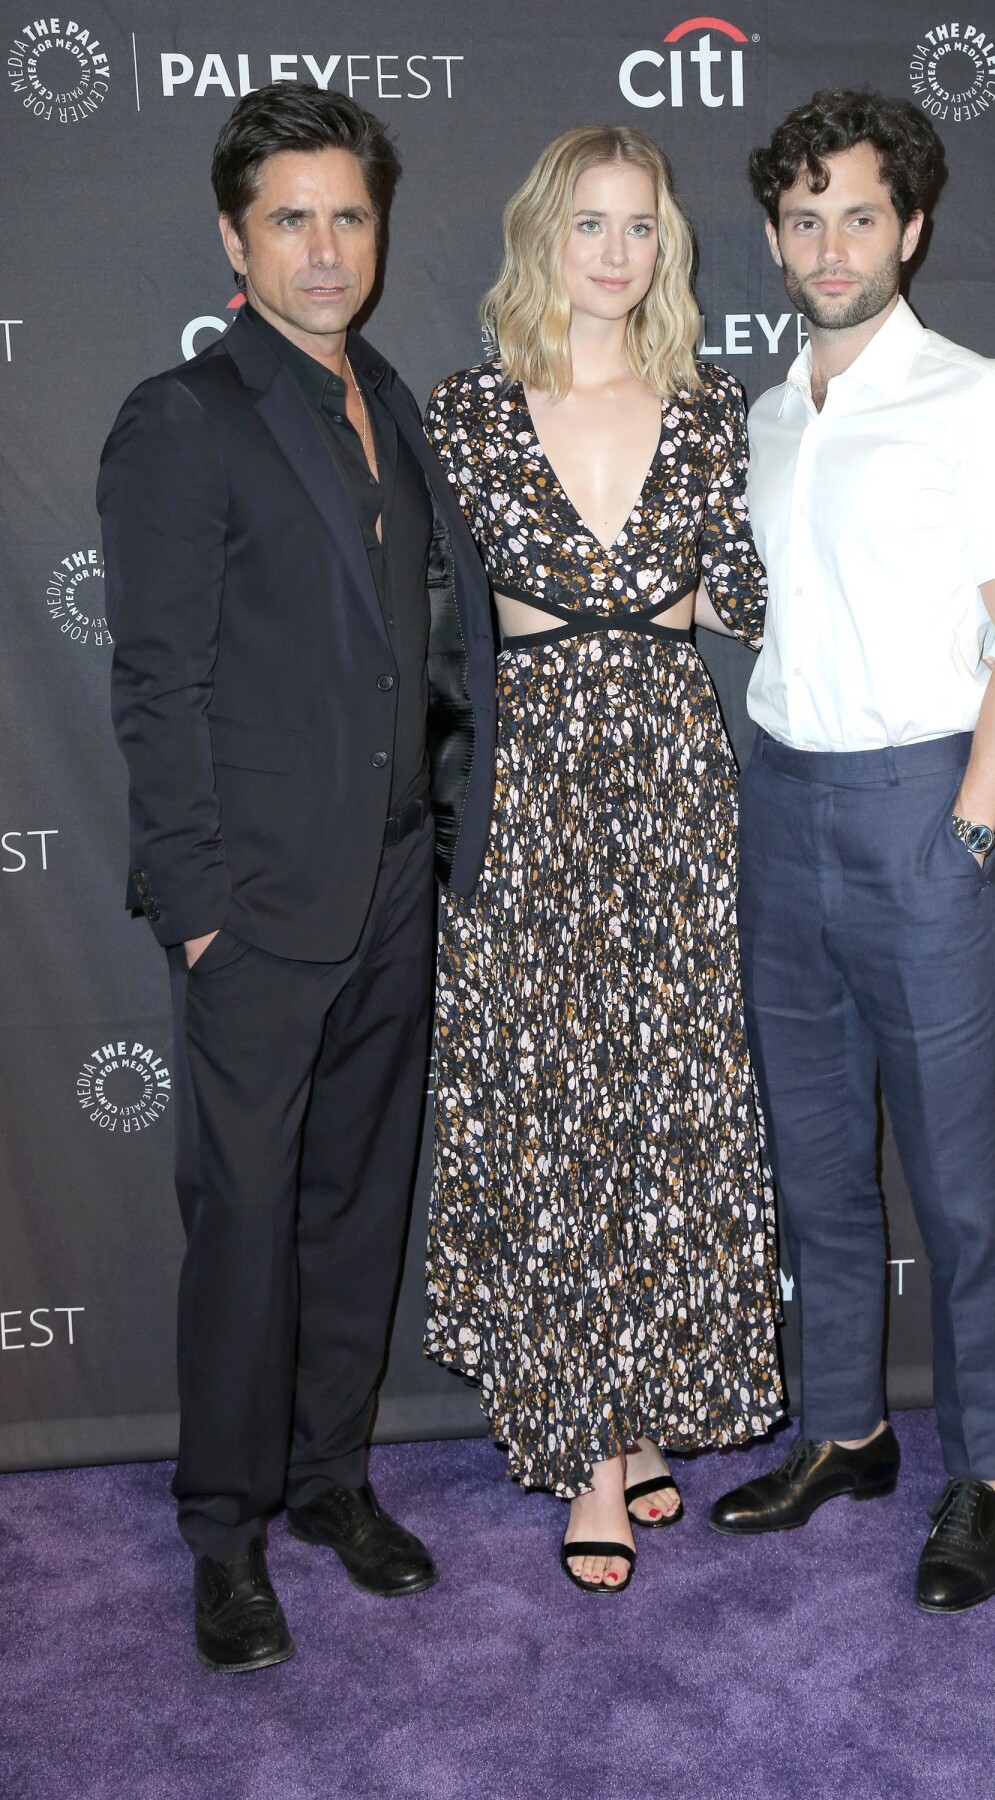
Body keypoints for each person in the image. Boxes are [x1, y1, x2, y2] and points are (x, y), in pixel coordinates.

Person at [99, 83, 495, 1672]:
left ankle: (333, 1482)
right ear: (233, 238)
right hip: (255, 911)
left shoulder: (394, 403)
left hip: (398, 885)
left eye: (348, 216)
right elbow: (157, 686)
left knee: (353, 1211)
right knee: (247, 1223)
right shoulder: (182, 418)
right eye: (291, 219)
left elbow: (436, 648)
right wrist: (196, 905)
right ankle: (223, 1532)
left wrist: (449, 841)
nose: (326, 250)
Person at [708, 90, 995, 1612]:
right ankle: (844, 1433)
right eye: (803, 220)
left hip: (924, 811)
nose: (829, 243)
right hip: (783, 806)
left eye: (858, 214)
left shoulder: (981, 400)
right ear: (776, 239)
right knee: (815, 1167)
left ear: (910, 228)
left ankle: (984, 1467)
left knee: (953, 1176)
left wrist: (970, 832)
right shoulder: (771, 410)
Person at [423, 125, 785, 1595]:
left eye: (641, 226)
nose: (617, 251)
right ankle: (583, 1448)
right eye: (592, 223)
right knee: (556, 1106)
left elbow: (754, 595)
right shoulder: (467, 411)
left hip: (673, 777)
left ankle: (632, 1414)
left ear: (668, 248)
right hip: (530, 786)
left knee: (662, 1099)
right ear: (541, 238)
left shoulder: (709, 412)